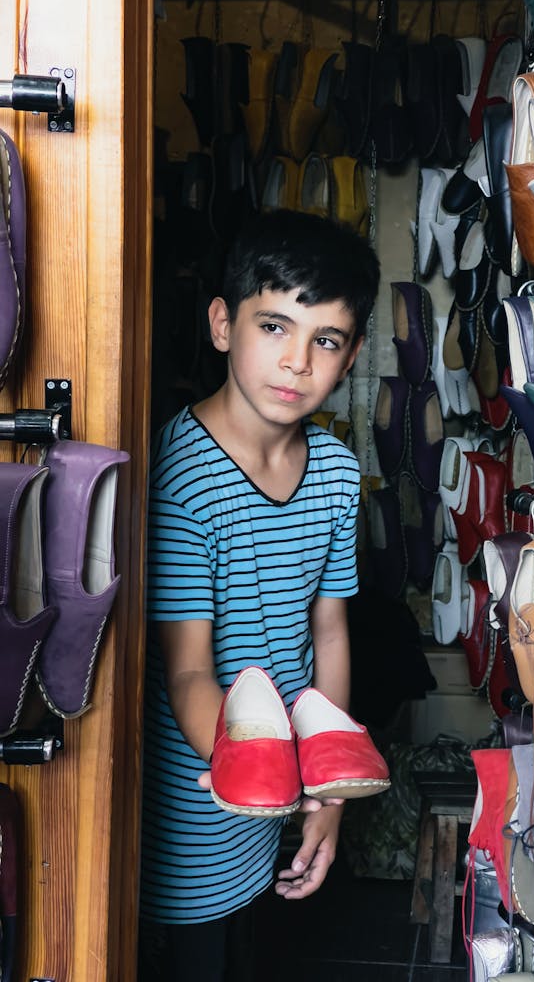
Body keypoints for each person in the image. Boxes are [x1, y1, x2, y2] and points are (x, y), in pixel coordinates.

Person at [139, 209, 380, 981]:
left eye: (326, 340)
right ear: (222, 325)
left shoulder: (339, 477)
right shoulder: (181, 474)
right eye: (274, 326)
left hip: (275, 798)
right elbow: (184, 670)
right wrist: (245, 766)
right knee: (185, 955)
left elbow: (332, 632)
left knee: (246, 944)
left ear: (351, 356)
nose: (297, 361)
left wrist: (329, 795)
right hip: (197, 790)